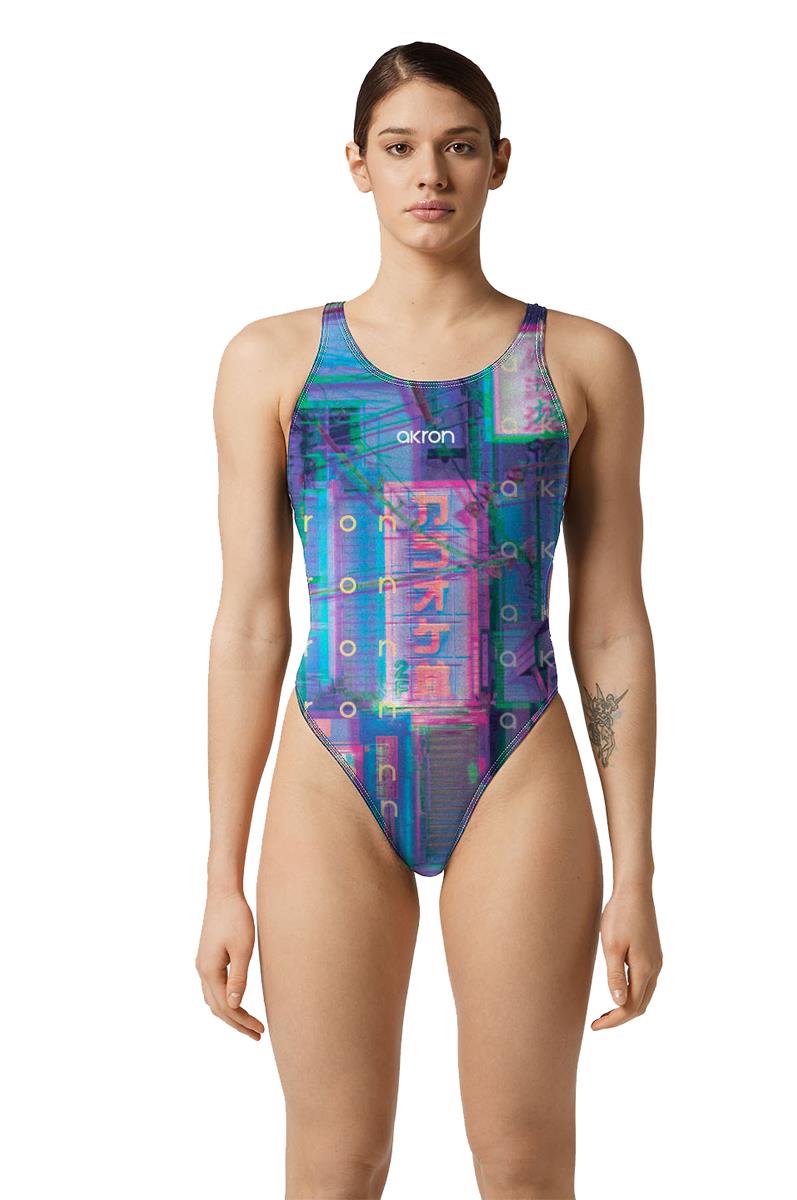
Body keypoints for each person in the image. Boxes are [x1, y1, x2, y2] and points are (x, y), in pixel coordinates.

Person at [196, 40, 662, 1200]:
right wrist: (220, 875)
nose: (429, 175)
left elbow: (610, 622)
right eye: (399, 148)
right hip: (334, 763)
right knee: (335, 1162)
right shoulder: (275, 362)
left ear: (498, 161)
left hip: (516, 761)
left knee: (522, 1161)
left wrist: (636, 869)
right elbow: (249, 623)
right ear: (356, 164)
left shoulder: (581, 361)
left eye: (457, 147)